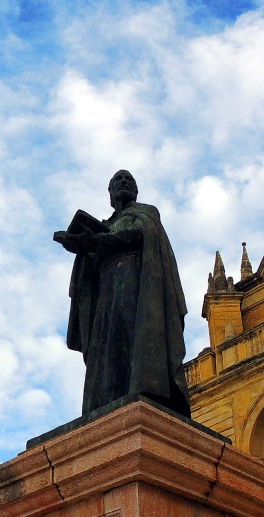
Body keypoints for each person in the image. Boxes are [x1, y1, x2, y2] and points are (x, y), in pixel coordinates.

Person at [54, 170, 191, 416]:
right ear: (110, 194)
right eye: (118, 180)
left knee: (136, 337)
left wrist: (98, 240)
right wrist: (79, 246)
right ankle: (107, 401)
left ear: (136, 191)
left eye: (129, 180)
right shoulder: (105, 225)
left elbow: (141, 233)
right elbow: (89, 268)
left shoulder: (147, 212)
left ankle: (145, 391)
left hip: (137, 282)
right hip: (106, 289)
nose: (124, 182)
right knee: (105, 347)